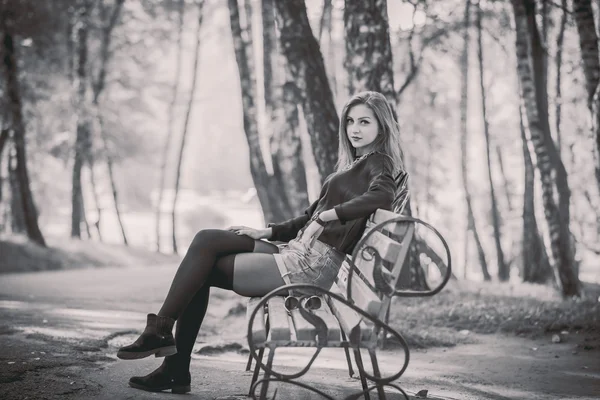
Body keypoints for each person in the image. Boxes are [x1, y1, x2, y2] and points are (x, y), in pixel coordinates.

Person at [116, 91, 404, 394]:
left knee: (201, 272)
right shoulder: (356, 164)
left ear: (381, 127)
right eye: (350, 121)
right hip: (298, 251)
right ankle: (164, 342)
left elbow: (383, 195)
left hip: (310, 266)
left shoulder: (379, 163)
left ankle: (169, 354)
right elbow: (307, 217)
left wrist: (330, 215)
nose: (354, 129)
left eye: (364, 122)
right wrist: (265, 232)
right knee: (206, 240)